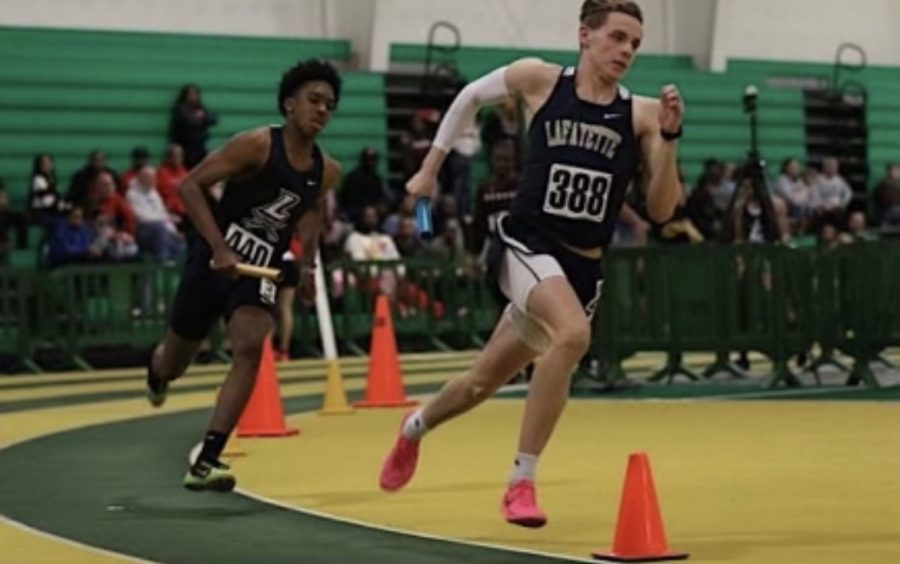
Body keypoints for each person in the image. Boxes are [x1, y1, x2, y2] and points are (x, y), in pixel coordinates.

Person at [378, 0, 683, 528]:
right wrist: (430, 170)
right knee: (573, 333)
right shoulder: (538, 79)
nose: (627, 50)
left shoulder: (646, 114)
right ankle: (522, 481)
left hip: (580, 269)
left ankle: (414, 429)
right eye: (616, 37)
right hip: (525, 244)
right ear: (585, 36)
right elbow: (469, 96)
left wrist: (671, 142)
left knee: (480, 382)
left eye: (635, 43)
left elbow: (661, 211)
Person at [146, 59, 343, 492]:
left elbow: (311, 210)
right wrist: (218, 247)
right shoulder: (255, 145)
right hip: (213, 261)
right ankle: (157, 370)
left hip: (262, 269)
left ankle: (208, 459)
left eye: (330, 104)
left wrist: (308, 265)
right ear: (289, 104)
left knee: (251, 344)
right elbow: (190, 186)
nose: (322, 110)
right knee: (175, 361)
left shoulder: (326, 171)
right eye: (314, 100)